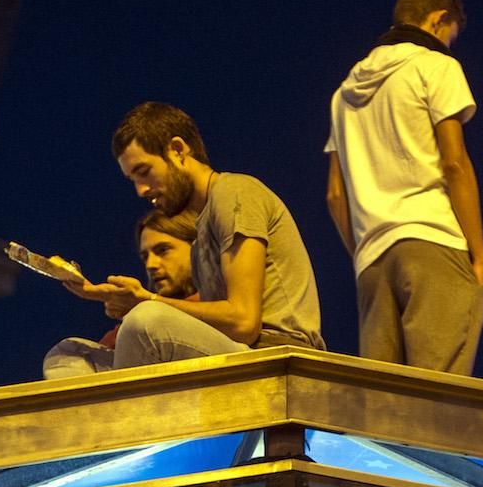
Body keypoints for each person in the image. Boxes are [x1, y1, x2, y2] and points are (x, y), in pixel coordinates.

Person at [324, 0, 483, 375]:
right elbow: (454, 163)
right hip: (432, 240)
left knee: (384, 413)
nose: (450, 45)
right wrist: (478, 254)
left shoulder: (344, 92)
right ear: (438, 19)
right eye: (450, 35)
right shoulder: (435, 65)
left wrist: (364, 249)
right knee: (439, 395)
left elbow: (334, 195)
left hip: (372, 260)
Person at [76, 102, 323, 365]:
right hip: (232, 351)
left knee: (145, 322)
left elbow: (243, 321)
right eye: (133, 180)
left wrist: (146, 301)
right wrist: (125, 300)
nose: (141, 190)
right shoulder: (201, 233)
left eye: (144, 172)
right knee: (71, 355)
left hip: (277, 354)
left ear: (178, 150)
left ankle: (124, 406)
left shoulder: (234, 192)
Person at [44, 210, 200, 378]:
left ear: (198, 248)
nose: (151, 265)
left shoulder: (220, 292)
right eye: (145, 257)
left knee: (146, 317)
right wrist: (132, 315)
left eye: (163, 250)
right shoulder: (146, 312)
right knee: (68, 352)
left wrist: (144, 305)